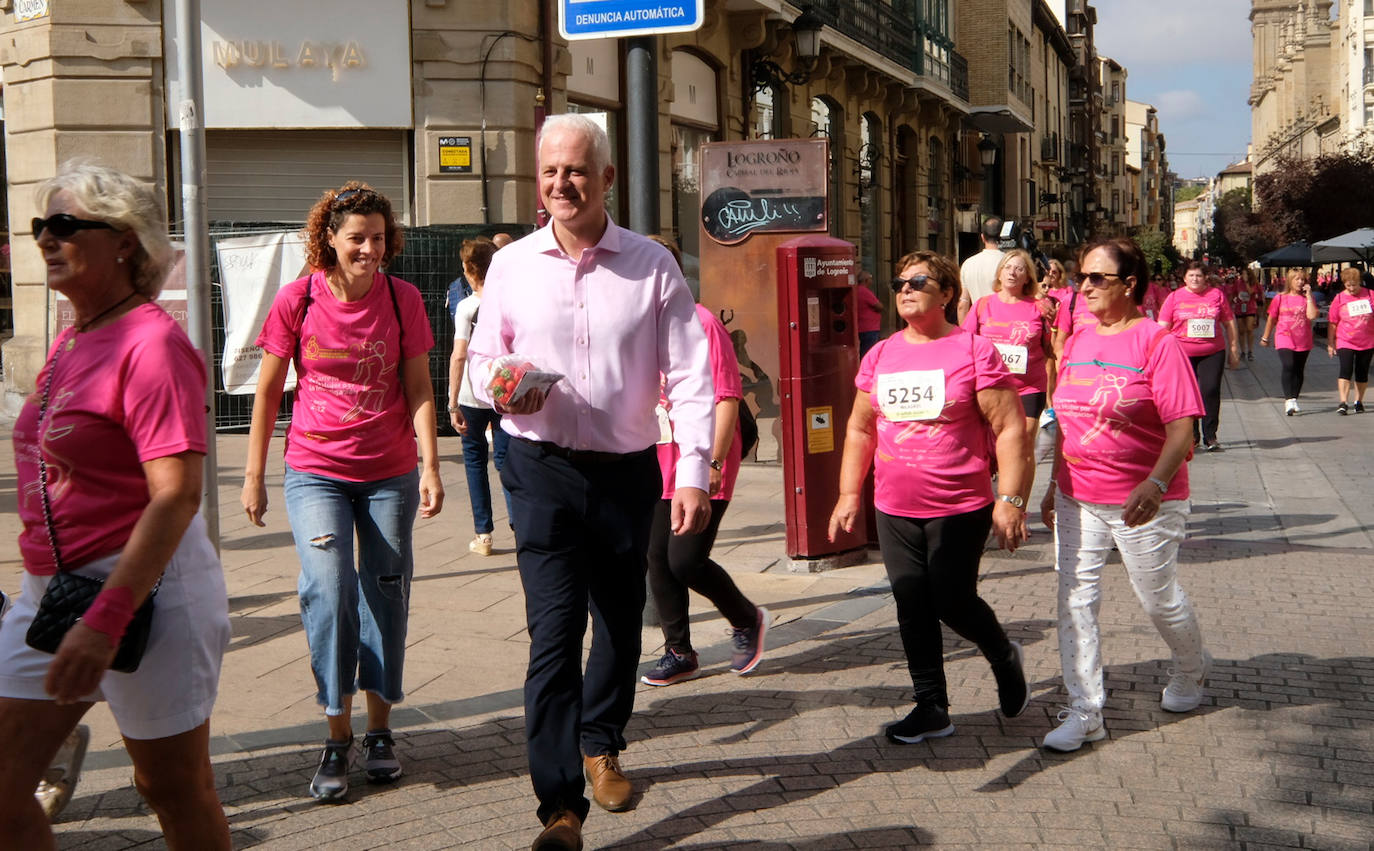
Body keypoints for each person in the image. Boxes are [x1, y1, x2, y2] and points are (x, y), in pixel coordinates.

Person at [466, 113, 714, 851]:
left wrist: (694, 471)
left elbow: (692, 375)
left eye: (575, 170)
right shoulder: (511, 266)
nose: (560, 184)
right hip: (537, 466)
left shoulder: (650, 266)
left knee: (619, 621)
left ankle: (601, 739)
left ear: (606, 177)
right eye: (548, 172)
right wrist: (503, 384)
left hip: (626, 472)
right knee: (553, 633)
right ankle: (559, 810)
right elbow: (482, 362)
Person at [0, 162, 232, 848]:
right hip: (48, 592)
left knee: (172, 787)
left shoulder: (152, 343)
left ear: (125, 241)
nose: (46, 236)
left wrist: (105, 619)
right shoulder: (75, 334)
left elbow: (178, 495)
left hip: (146, 595)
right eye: (42, 225)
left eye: (66, 224)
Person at [241, 182, 444, 802]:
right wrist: (253, 475)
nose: (369, 250)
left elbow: (418, 387)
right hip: (315, 469)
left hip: (389, 473)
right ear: (328, 238)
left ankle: (379, 732)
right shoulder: (297, 299)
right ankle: (336, 733)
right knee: (328, 590)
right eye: (357, 238)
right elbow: (270, 390)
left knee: (386, 592)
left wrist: (431, 465)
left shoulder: (401, 297)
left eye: (379, 238)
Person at [827, 249, 1031, 747]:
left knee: (952, 599)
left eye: (918, 281)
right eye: (900, 282)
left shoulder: (973, 351)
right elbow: (859, 427)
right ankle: (931, 705)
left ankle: (1002, 653)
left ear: (946, 294)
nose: (906, 289)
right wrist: (848, 493)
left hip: (959, 504)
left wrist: (1012, 499)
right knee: (911, 601)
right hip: (894, 504)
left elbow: (1009, 428)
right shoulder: (882, 354)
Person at [1040, 236, 1210, 753]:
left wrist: (1156, 484)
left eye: (1097, 278)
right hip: (1077, 494)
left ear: (1129, 284)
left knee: (1157, 600)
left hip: (1144, 499)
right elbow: (1065, 419)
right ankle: (1085, 710)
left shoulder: (1157, 342)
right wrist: (1051, 486)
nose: (1083, 286)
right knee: (1075, 601)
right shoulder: (1080, 339)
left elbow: (1183, 427)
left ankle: (1190, 667)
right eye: (1080, 276)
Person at [640, 234, 769, 688]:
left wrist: (713, 463)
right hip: (655, 459)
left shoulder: (701, 322)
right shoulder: (638, 326)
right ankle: (679, 652)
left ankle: (746, 617)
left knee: (685, 559)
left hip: (702, 459)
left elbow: (728, 397)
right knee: (657, 557)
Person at [962, 249, 1055, 506]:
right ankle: (986, 501)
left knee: (1023, 444)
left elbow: (1050, 348)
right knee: (988, 445)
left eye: (1020, 268)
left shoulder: (1038, 308)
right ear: (1000, 273)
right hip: (990, 387)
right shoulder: (983, 305)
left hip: (1028, 387)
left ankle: (1018, 506)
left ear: (1028, 278)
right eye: (1008, 267)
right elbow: (965, 344)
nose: (1013, 272)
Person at [448, 237, 511, 555]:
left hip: (472, 395)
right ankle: (519, 522)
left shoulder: (466, 307)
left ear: (470, 271)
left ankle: (483, 534)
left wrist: (452, 401)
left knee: (474, 462)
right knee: (507, 460)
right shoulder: (508, 301)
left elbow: (459, 355)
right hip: (503, 391)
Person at [1157, 263, 1239, 451]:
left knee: (1210, 390)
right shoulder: (1174, 297)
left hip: (1212, 351)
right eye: (1191, 275)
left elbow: (1229, 322)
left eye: (1199, 276)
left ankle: (1210, 435)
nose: (1195, 279)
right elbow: (1162, 326)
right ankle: (1192, 435)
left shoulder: (1216, 295)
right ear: (1184, 278)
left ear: (1205, 278)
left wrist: (1234, 348)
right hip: (1182, 353)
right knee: (1187, 394)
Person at [1260, 268, 1318, 415]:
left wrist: (1309, 295)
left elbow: (1311, 316)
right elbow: (1271, 318)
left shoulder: (1307, 299)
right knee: (1289, 365)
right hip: (1284, 336)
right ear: (1290, 281)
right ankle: (1288, 399)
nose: (1300, 282)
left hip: (1303, 338)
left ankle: (1294, 399)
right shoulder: (1280, 298)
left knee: (1298, 369)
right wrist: (1265, 337)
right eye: (1297, 279)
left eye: (1302, 279)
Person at [1327, 267, 1374, 414]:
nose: (1352, 288)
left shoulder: (1370, 295)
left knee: (1362, 372)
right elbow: (1333, 322)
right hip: (1345, 339)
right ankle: (1343, 402)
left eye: (1355, 285)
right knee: (1345, 370)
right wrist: (1330, 343)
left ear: (1360, 282)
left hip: (1367, 340)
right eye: (1348, 285)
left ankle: (1359, 401)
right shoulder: (1340, 298)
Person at [956, 215, 1005, 322]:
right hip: (1003, 325)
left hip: (977, 324)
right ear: (1002, 236)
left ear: (982, 237)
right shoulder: (1008, 263)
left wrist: (965, 333)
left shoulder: (968, 263)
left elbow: (963, 303)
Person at [1230, 269, 1265, 361]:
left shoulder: (1254, 283)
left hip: (1250, 308)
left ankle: (1250, 351)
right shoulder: (1237, 282)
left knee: (1249, 329)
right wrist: (1231, 303)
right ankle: (1242, 351)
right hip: (1239, 308)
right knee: (1241, 331)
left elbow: (1251, 292)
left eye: (1246, 274)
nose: (1244, 276)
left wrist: (1246, 283)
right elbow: (1233, 294)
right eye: (1243, 274)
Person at [855, 269, 884, 356]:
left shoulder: (856, 290)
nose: (872, 281)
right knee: (869, 352)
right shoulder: (865, 291)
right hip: (869, 328)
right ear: (866, 280)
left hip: (861, 327)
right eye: (870, 278)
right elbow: (879, 306)